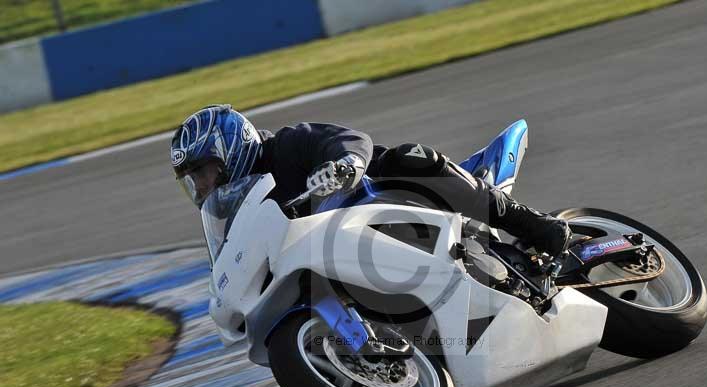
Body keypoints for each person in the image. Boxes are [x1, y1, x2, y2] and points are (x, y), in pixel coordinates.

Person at [170, 104, 569, 256]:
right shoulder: (238, 211)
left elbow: (350, 140)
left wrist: (344, 165)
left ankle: (532, 223)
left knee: (413, 158)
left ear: (230, 148)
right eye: (193, 180)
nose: (202, 187)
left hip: (387, 199)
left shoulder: (288, 146)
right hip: (342, 254)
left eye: (203, 172)